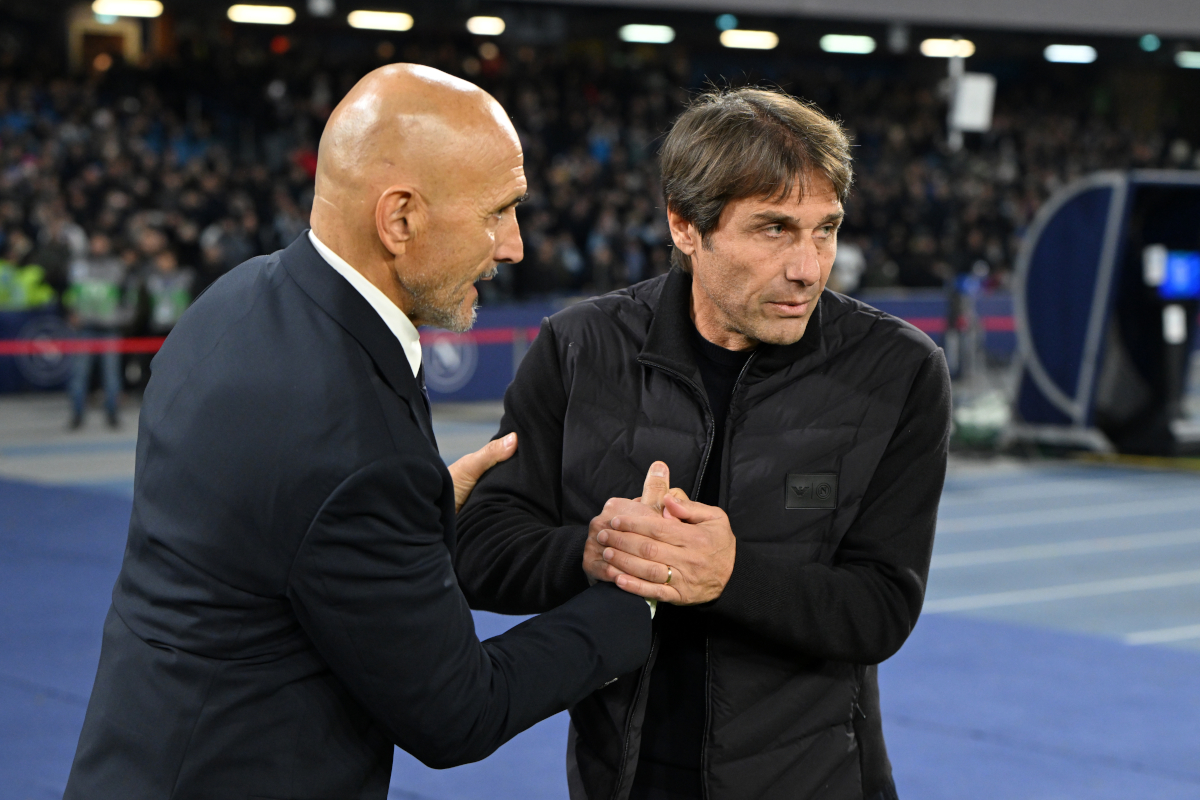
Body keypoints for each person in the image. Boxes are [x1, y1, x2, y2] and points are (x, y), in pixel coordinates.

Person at [64, 64, 653, 800]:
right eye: (498, 213)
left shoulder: (237, 299)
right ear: (399, 219)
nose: (515, 247)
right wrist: (636, 600)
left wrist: (420, 510)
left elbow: (288, 533)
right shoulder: (356, 445)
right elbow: (461, 713)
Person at [456, 87, 953, 800]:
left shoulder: (899, 371)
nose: (810, 267)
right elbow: (482, 546)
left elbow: (881, 609)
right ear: (686, 226)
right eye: (774, 229)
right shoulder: (579, 348)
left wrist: (730, 575)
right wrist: (590, 552)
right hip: (619, 782)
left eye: (826, 229)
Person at [63, 232, 135, 429]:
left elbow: (129, 294)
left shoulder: (117, 267)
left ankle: (112, 414)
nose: (98, 246)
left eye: (101, 242)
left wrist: (122, 317)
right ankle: (77, 414)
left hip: (110, 328)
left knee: (111, 375)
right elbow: (70, 292)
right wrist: (71, 312)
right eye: (95, 242)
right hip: (85, 328)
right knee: (79, 374)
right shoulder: (79, 267)